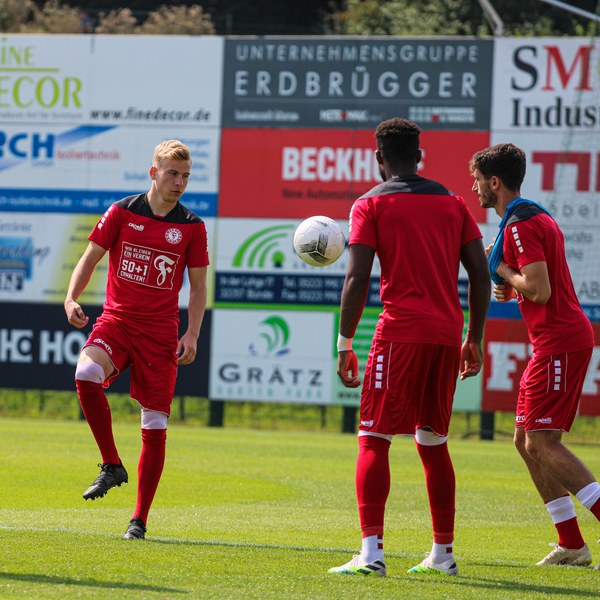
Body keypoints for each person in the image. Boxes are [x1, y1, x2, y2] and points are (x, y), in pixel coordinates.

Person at [328, 118, 490, 578]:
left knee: (373, 437)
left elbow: (357, 277)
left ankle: (371, 553)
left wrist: (344, 343)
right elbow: (481, 274)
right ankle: (443, 555)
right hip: (446, 335)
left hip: (400, 332)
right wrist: (474, 337)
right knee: (433, 441)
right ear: (419, 156)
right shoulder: (453, 202)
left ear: (378, 158)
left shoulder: (370, 203)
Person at [64, 139, 209, 540]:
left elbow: (199, 287)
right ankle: (112, 464)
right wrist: (71, 297)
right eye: (172, 174)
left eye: (185, 176)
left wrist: (192, 333)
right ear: (154, 173)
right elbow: (90, 258)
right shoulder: (122, 211)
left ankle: (139, 520)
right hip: (118, 322)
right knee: (86, 373)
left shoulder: (192, 227)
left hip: (160, 335)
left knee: (155, 421)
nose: (179, 183)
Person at [470, 142, 599, 569]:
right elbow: (532, 285)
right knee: (526, 442)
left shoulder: (520, 224)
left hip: (560, 341)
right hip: (552, 341)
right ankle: (572, 545)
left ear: (494, 182)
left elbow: (539, 290)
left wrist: (503, 270)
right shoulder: (530, 215)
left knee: (542, 442)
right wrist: (507, 278)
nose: (474, 188)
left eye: (477, 181)